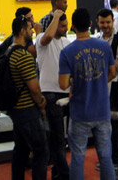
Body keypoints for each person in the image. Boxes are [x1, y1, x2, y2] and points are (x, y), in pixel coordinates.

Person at [59, 8, 117, 180]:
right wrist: (98, 82)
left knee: (77, 157)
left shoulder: (67, 52)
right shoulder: (104, 46)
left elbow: (63, 84)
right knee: (106, 156)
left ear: (73, 27)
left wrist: (78, 82)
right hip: (102, 110)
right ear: (91, 24)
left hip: (80, 112)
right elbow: (113, 72)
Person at [8, 15, 48, 180]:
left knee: (21, 149)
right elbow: (34, 88)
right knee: (41, 151)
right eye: (30, 29)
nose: (32, 31)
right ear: (22, 31)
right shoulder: (23, 56)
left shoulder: (9, 52)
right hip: (27, 110)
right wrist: (41, 103)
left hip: (15, 109)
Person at [95, 8, 118, 179]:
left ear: (113, 22)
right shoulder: (97, 40)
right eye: (102, 22)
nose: (105, 25)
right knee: (111, 128)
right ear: (98, 22)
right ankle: (113, 160)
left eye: (108, 22)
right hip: (104, 90)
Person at [36, 10, 70, 180]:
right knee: (57, 139)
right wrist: (55, 16)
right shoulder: (41, 39)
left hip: (67, 94)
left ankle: (58, 172)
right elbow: (48, 36)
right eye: (62, 26)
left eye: (66, 25)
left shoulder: (66, 42)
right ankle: (64, 175)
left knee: (62, 139)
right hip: (50, 94)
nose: (66, 28)